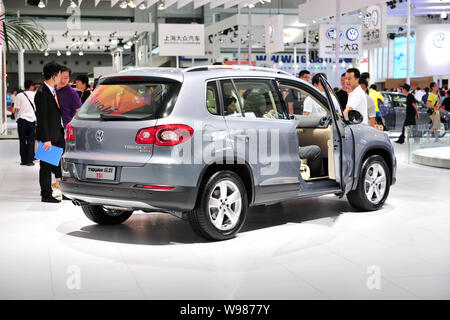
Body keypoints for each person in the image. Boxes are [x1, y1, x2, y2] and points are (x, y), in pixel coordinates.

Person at [35, 62, 64, 203]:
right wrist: (46, 139)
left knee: (57, 164)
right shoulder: (42, 93)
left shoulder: (52, 91)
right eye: (59, 75)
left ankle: (63, 190)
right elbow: (42, 119)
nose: (60, 78)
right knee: (46, 166)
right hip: (49, 137)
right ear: (53, 76)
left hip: (56, 134)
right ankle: (46, 194)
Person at [15, 80, 36, 166]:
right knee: (31, 141)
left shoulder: (19, 95)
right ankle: (30, 161)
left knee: (22, 140)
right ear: (31, 86)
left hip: (22, 120)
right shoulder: (35, 94)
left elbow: (17, 109)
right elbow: (37, 108)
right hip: (31, 120)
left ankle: (23, 160)